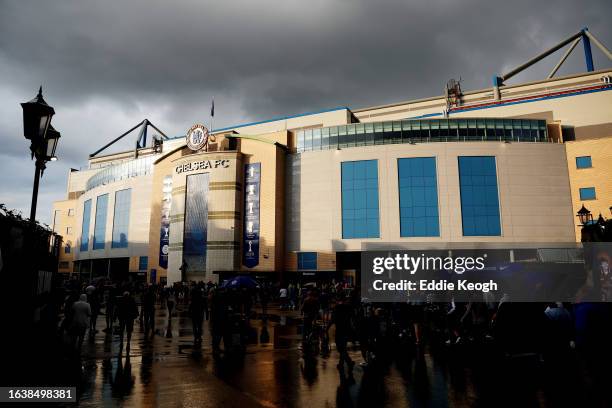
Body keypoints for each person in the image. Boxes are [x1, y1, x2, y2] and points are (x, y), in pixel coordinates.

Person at [328, 295, 355, 372]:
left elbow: (333, 320)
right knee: (342, 347)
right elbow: (352, 319)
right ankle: (348, 362)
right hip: (346, 330)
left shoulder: (337, 309)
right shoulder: (348, 308)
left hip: (340, 330)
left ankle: (342, 363)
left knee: (341, 347)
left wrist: (327, 328)